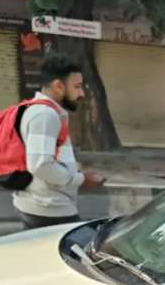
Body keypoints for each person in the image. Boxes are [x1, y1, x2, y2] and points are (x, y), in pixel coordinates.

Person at [13, 54, 103, 229]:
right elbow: (40, 165)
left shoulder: (37, 110)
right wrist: (80, 180)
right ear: (58, 86)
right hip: (49, 208)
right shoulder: (45, 115)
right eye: (77, 87)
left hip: (41, 203)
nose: (82, 93)